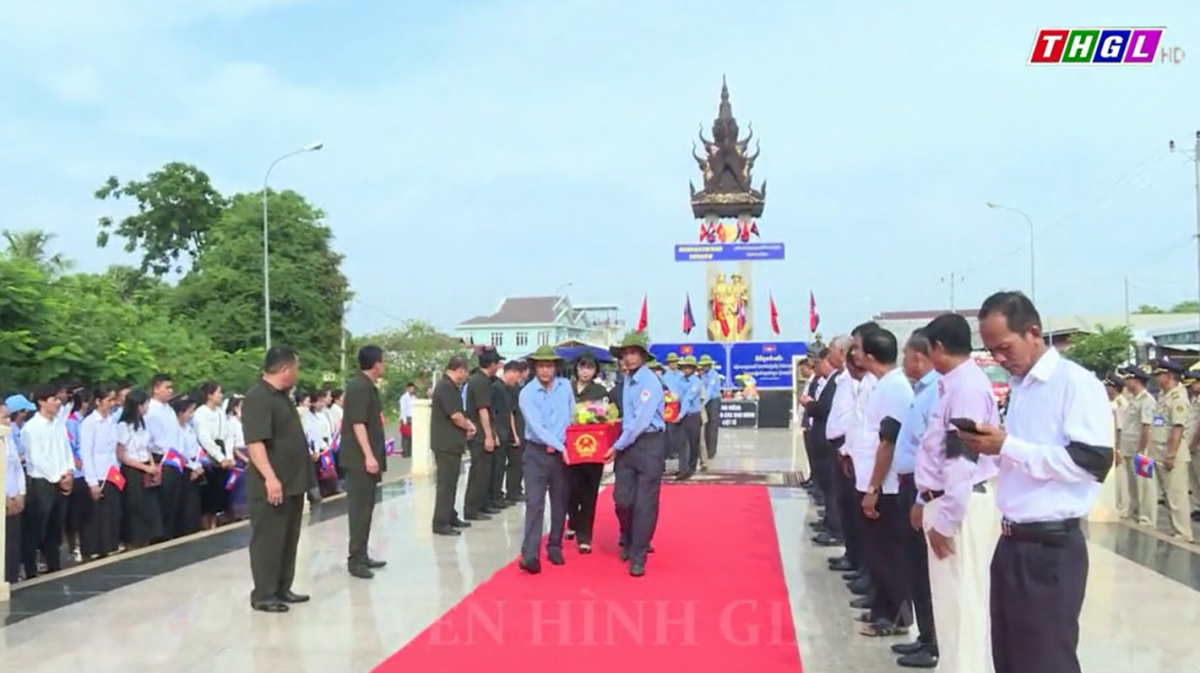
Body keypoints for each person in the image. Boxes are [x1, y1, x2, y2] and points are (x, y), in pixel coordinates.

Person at [960, 291, 1111, 673]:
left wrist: (1009, 445)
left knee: (1045, 660)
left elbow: (1093, 461)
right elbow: (1029, 455)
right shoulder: (1021, 388)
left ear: (1033, 332)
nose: (999, 358)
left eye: (1005, 347)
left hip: (1050, 548)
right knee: (1010, 657)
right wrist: (994, 447)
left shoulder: (1074, 384)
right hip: (1012, 541)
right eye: (992, 350)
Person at [911, 314, 1001, 673]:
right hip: (949, 502)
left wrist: (946, 521)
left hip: (958, 506)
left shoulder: (964, 390)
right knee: (950, 605)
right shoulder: (956, 385)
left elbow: (960, 461)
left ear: (937, 348)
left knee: (962, 603)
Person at [854, 327, 914, 638]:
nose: (855, 354)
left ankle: (896, 617)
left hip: (886, 488)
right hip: (874, 483)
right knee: (878, 553)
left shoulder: (894, 388)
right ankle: (883, 608)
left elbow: (887, 442)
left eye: (858, 349)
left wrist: (874, 488)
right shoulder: (882, 385)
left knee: (891, 555)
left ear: (871, 355)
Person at [243, 346, 312, 613]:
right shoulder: (258, 396)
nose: (296, 373)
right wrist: (270, 477)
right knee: (268, 539)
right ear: (284, 369)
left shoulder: (282, 397)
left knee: (288, 537)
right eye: (295, 367)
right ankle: (264, 593)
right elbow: (255, 442)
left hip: (292, 481)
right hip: (271, 482)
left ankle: (283, 586)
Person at [888, 330, 941, 668]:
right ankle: (924, 636)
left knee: (925, 572)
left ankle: (934, 642)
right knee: (914, 568)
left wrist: (922, 499)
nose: (903, 363)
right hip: (911, 485)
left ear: (920, 357)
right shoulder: (921, 391)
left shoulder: (936, 391)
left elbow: (933, 450)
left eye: (905, 356)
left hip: (923, 491)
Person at [608, 334, 666, 577]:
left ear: (642, 356)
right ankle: (628, 534)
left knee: (645, 502)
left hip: (649, 442)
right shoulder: (626, 381)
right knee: (622, 498)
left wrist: (617, 446)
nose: (629, 358)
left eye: (633, 353)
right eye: (625, 354)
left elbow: (641, 421)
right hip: (628, 443)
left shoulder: (649, 382)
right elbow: (629, 419)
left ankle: (638, 553)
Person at [516, 345, 573, 573]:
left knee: (560, 502)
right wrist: (560, 446)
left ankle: (555, 545)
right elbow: (536, 427)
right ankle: (530, 554)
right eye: (541, 366)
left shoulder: (565, 387)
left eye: (549, 366)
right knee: (534, 503)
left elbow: (570, 415)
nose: (546, 371)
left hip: (563, 454)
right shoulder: (527, 393)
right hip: (537, 453)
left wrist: (571, 443)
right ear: (534, 368)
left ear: (556, 367)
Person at [340, 345, 389, 578]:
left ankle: (362, 554)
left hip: (367, 459)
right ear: (376, 363)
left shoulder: (367, 386)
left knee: (367, 509)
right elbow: (358, 423)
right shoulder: (359, 386)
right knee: (359, 510)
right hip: (359, 460)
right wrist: (368, 455)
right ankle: (355, 560)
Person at [20, 383, 74, 579]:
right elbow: (36, 458)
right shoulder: (31, 428)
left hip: (61, 479)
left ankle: (53, 565)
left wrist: (68, 472)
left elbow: (66, 449)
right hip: (42, 482)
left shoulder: (58, 424)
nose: (58, 403)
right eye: (54, 399)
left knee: (56, 526)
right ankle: (31, 569)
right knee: (35, 528)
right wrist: (57, 478)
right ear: (42, 402)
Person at [1141, 357, 1193, 541]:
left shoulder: (1178, 397)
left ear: (1168, 375)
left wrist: (1171, 454)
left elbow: (1178, 428)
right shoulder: (1164, 396)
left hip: (1173, 454)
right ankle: (1175, 529)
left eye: (1159, 374)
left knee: (1176, 496)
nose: (1155, 378)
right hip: (1159, 451)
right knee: (1168, 495)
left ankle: (1183, 532)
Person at [565, 353, 608, 552]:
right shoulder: (566, 388)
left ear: (595, 371)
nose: (585, 371)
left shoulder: (600, 390)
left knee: (590, 493)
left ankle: (585, 536)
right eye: (582, 367)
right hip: (570, 447)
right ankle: (573, 521)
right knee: (571, 490)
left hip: (593, 449)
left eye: (589, 368)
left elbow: (606, 417)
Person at [430, 356, 475, 536]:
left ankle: (450, 515)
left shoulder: (451, 387)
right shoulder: (445, 387)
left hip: (452, 443)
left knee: (452, 483)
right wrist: (469, 426)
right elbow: (455, 416)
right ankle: (440, 522)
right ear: (460, 369)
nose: (465, 376)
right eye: (465, 371)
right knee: (446, 485)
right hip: (445, 443)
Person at [78, 386, 122, 560]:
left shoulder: (111, 421)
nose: (112, 404)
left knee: (111, 512)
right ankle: (93, 548)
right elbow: (86, 453)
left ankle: (109, 544)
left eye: (113, 400)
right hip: (96, 472)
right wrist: (92, 481)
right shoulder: (89, 423)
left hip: (111, 471)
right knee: (95, 515)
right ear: (98, 402)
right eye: (108, 400)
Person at [115, 391, 162, 549]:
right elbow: (121, 455)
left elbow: (146, 446)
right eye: (144, 404)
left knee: (149, 509)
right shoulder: (123, 426)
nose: (147, 407)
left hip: (146, 466)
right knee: (135, 510)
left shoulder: (142, 423)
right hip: (132, 470)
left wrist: (152, 464)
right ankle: (132, 544)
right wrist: (144, 467)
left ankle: (147, 541)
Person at [463, 349, 503, 520]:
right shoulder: (479, 382)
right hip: (479, 434)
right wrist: (488, 435)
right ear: (492, 364)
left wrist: (494, 434)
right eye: (498, 363)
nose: (499, 366)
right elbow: (483, 410)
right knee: (479, 472)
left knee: (486, 472)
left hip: (485, 432)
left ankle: (483, 504)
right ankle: (472, 509)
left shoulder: (484, 381)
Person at [1116, 365, 1152, 522]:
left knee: (1144, 486)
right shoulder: (1133, 400)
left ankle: (1146, 518)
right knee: (1132, 485)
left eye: (1128, 379)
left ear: (1136, 381)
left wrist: (1141, 450)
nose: (1125, 382)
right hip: (1129, 449)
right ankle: (1134, 512)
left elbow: (1147, 427)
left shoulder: (1147, 400)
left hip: (1142, 450)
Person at [487, 363, 520, 512]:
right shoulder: (496, 388)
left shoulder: (509, 390)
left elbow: (510, 413)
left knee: (502, 466)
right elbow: (491, 413)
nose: (517, 380)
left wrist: (514, 434)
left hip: (506, 431)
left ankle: (499, 495)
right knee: (496, 467)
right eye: (516, 376)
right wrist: (493, 434)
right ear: (509, 373)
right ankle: (494, 497)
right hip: (498, 432)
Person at [3, 398, 25, 584]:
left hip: (13, 498)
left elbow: (17, 467)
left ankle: (12, 578)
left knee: (12, 544)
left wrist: (20, 493)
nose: (7, 421)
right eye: (4, 418)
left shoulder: (8, 438)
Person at [674, 356, 704, 481]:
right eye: (684, 367)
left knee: (693, 443)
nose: (686, 370)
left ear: (693, 369)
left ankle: (691, 468)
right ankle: (683, 468)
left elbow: (688, 399)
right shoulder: (680, 380)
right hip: (682, 413)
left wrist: (679, 416)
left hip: (693, 415)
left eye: (688, 367)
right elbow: (678, 397)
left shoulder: (696, 382)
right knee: (682, 443)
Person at [699, 354, 722, 463]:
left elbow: (709, 391)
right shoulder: (703, 375)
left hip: (713, 402)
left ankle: (711, 451)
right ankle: (705, 450)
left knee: (713, 426)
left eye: (704, 365)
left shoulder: (714, 375)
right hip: (705, 402)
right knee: (705, 426)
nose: (703, 367)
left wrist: (702, 402)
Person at [399, 383, 416, 458]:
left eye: (413, 388)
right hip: (406, 417)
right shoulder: (404, 398)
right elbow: (403, 409)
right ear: (407, 389)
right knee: (405, 435)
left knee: (412, 435)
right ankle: (405, 452)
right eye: (411, 388)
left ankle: (410, 451)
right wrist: (404, 420)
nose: (412, 390)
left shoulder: (414, 397)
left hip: (413, 417)